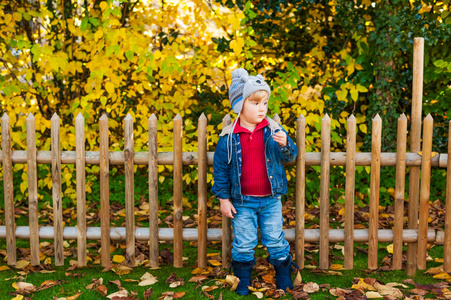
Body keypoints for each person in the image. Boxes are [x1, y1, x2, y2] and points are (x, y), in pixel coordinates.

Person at [212, 68, 298, 295]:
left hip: (270, 200)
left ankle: (283, 275)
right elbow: (220, 170)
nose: (262, 108)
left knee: (275, 239)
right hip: (242, 202)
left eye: (265, 103)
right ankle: (242, 279)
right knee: (244, 242)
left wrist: (285, 144)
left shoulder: (273, 131)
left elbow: (290, 157)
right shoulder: (229, 137)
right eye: (255, 103)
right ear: (239, 105)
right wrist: (223, 198)